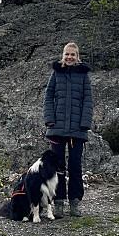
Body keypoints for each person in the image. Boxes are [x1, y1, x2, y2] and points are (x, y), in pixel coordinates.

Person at [43, 42, 93, 218]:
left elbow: (88, 101)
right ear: (62, 56)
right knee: (57, 168)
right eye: (67, 54)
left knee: (75, 167)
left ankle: (75, 203)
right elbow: (48, 97)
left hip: (77, 130)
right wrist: (49, 120)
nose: (70, 57)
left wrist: (85, 123)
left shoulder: (83, 75)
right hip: (56, 129)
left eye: (73, 54)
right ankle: (58, 203)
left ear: (77, 57)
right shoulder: (56, 73)